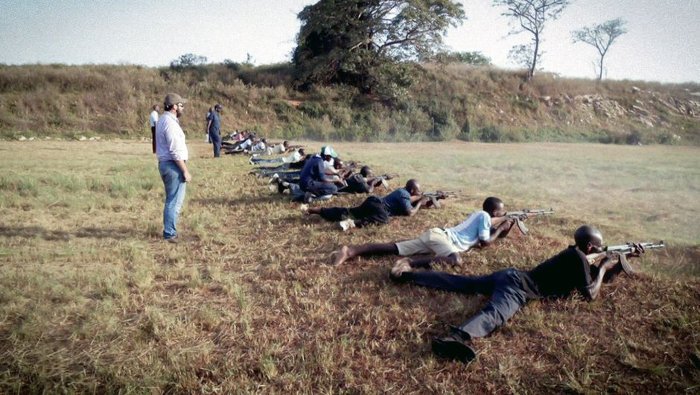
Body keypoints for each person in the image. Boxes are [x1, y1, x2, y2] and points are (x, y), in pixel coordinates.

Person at [390, 225, 646, 363]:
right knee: (496, 313)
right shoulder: (579, 257)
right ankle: (455, 338)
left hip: (511, 276)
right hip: (518, 287)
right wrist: (603, 264)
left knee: (464, 283)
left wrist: (618, 264)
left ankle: (409, 275)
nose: (600, 251)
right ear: (590, 247)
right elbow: (590, 293)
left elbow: (594, 283)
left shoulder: (576, 256)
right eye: (599, 248)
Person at [330, 197, 514, 266]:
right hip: (443, 239)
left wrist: (507, 225)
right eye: (500, 212)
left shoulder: (482, 217)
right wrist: (501, 228)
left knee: (393, 247)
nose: (501, 214)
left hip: (437, 237)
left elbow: (495, 236)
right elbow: (485, 243)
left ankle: (350, 251)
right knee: (455, 259)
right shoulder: (483, 216)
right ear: (494, 212)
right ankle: (409, 263)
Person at [302, 179, 426, 231]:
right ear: (412, 191)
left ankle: (316, 210)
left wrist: (425, 199)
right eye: (417, 191)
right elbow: (410, 212)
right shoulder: (404, 194)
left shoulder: (402, 191)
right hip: (379, 207)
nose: (418, 193)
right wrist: (420, 202)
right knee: (384, 219)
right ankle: (352, 224)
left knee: (349, 212)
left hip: (372, 202)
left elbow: (409, 202)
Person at [155, 93, 191, 243]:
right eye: (181, 105)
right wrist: (185, 170)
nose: (183, 107)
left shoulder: (164, 120)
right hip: (173, 165)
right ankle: (169, 233)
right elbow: (175, 150)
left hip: (168, 164)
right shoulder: (169, 123)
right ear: (174, 106)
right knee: (173, 201)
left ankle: (171, 230)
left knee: (174, 200)